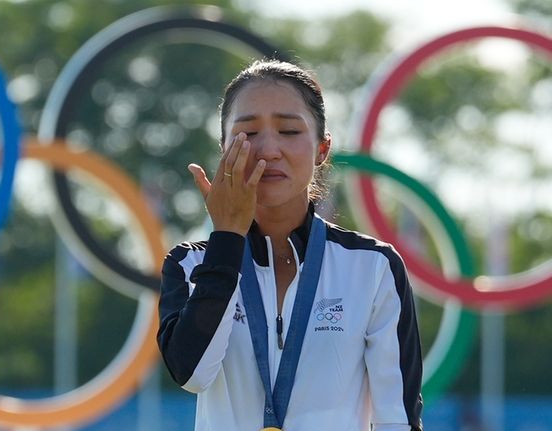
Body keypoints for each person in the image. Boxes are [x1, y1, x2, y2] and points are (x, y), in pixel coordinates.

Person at [157, 59, 423, 431]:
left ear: (322, 149)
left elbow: (398, 420)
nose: (268, 149)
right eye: (247, 133)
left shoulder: (373, 267)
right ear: (223, 148)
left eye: (289, 130)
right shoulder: (190, 264)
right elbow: (193, 374)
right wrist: (228, 240)